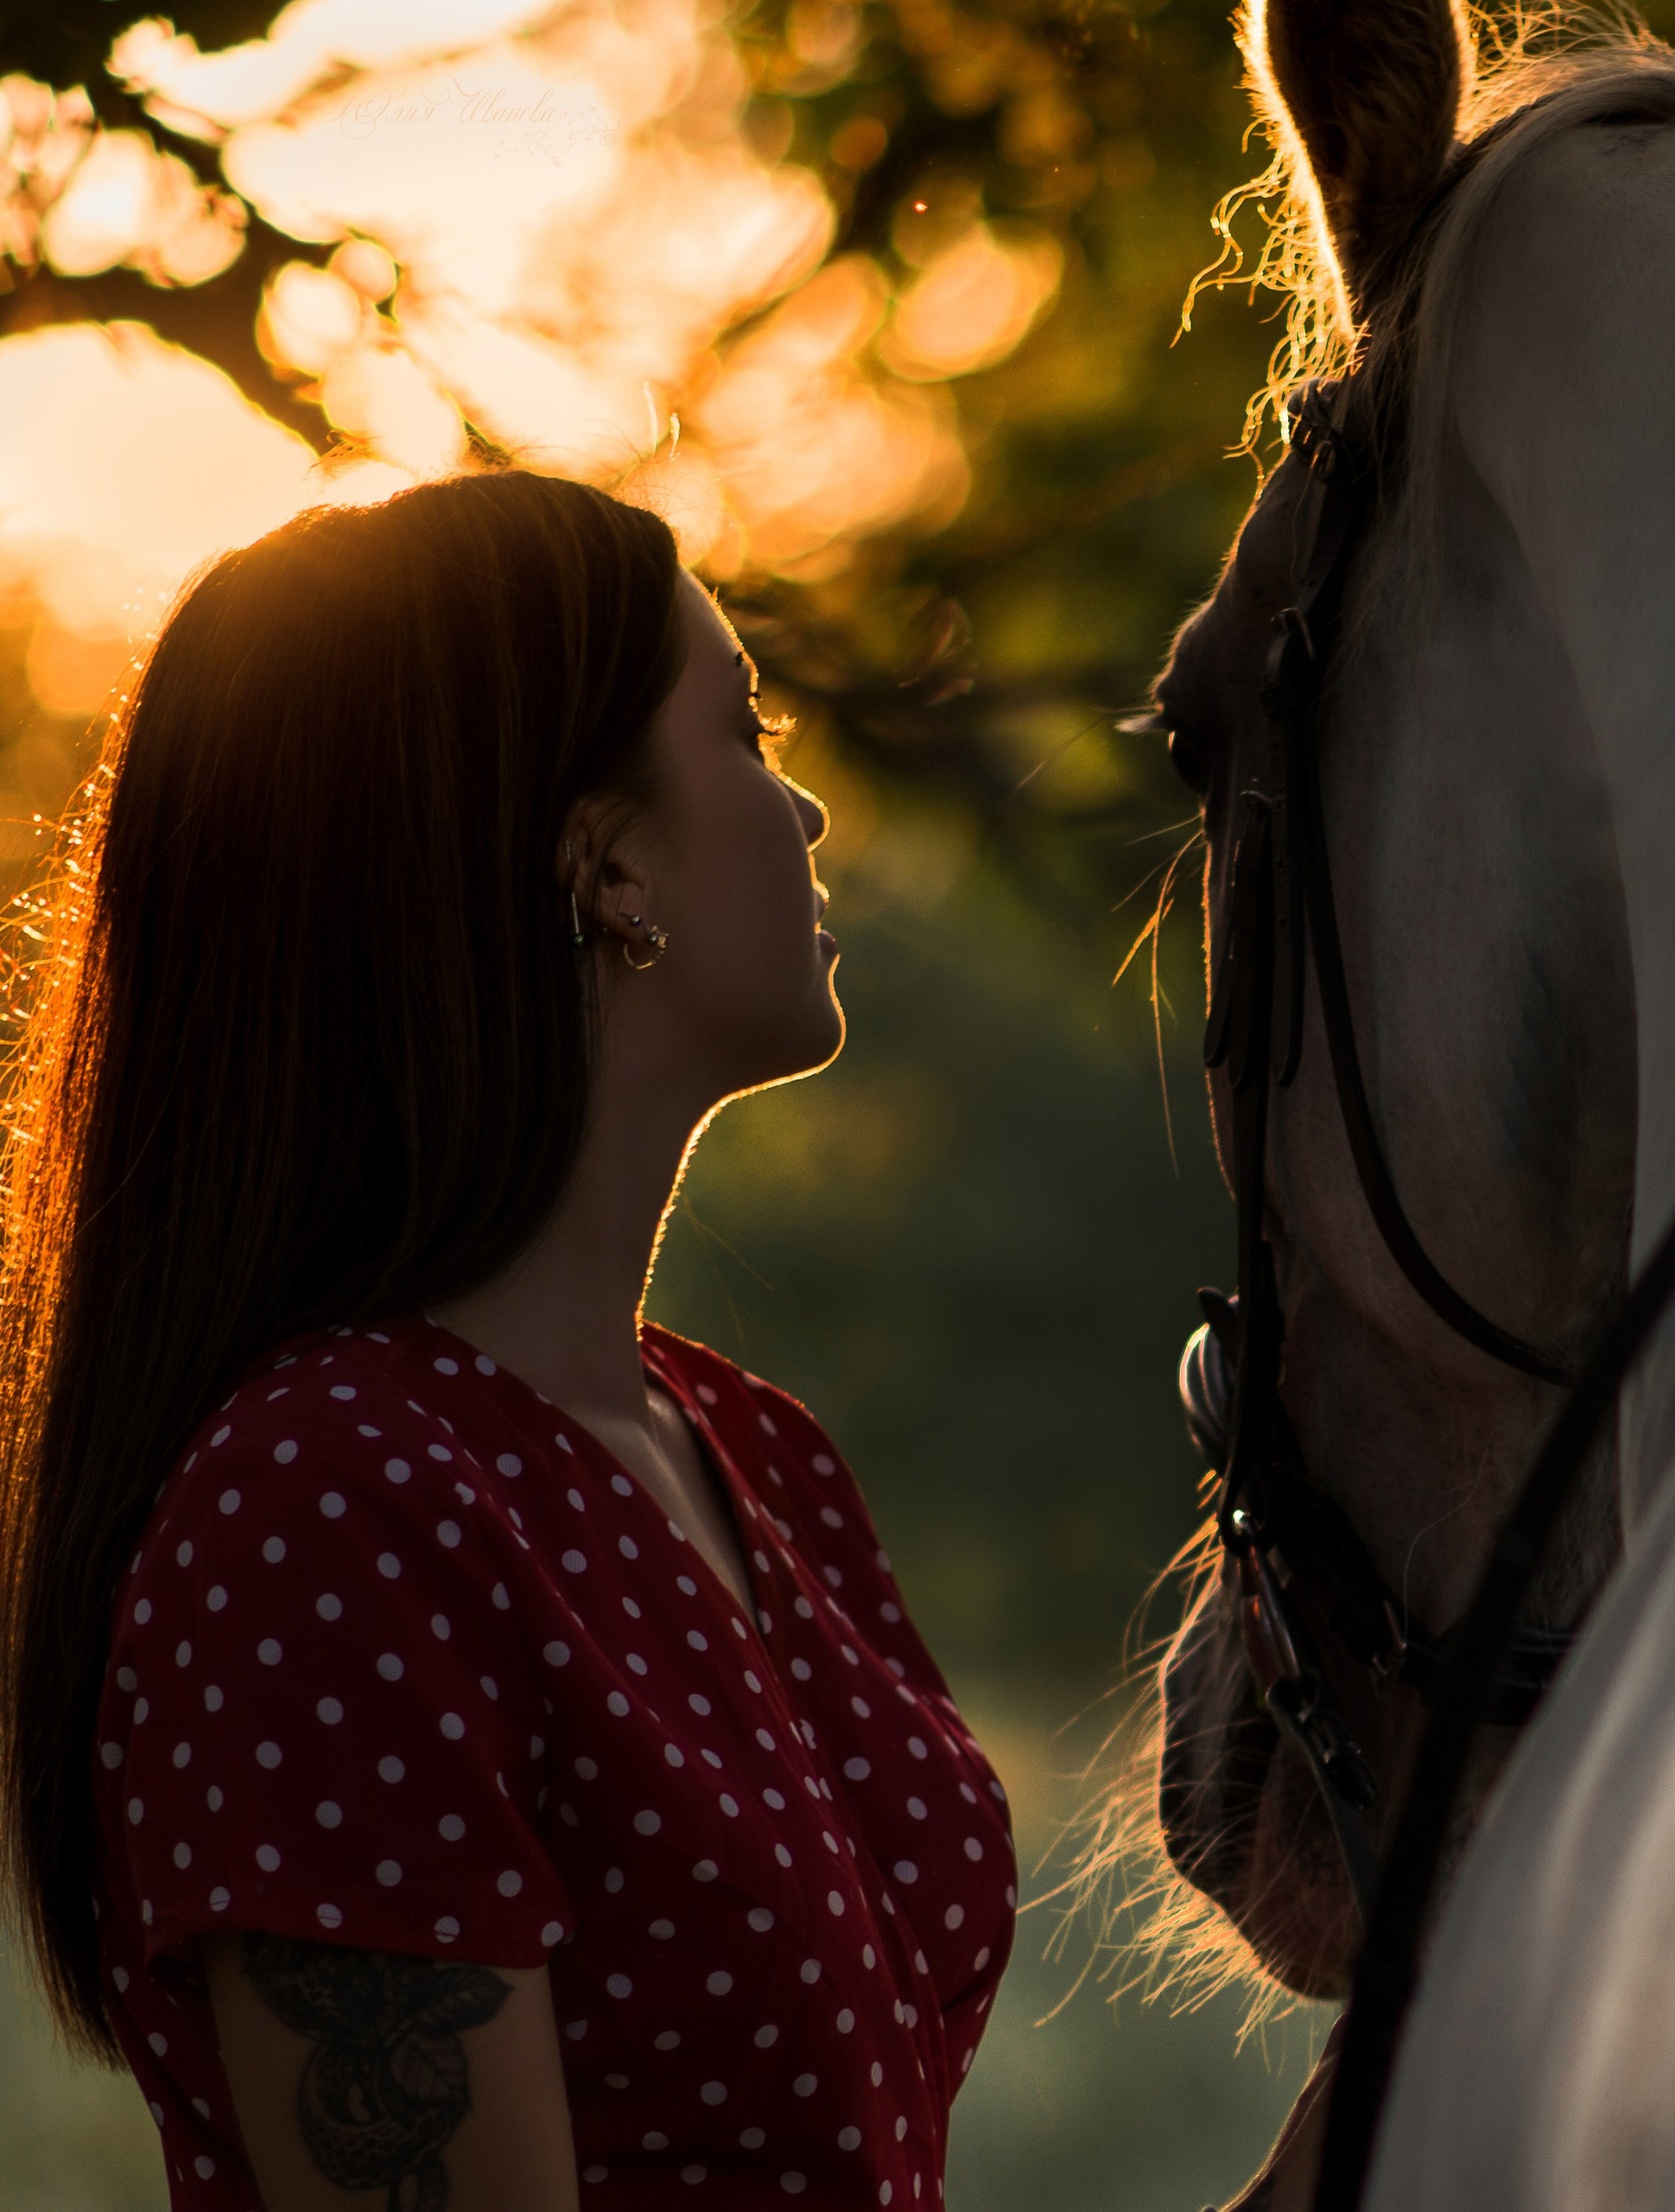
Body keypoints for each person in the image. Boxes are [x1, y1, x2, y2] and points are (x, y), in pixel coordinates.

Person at [0, 471, 1015, 2209]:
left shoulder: (750, 1451)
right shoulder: (326, 1511)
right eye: (746, 733)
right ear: (599, 859)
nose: (808, 815)